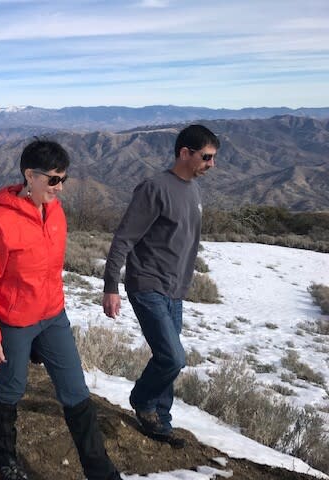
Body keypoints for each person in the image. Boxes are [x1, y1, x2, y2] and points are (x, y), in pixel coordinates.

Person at [0, 139, 122, 480]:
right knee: (10, 389)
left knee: (76, 391)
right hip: (15, 322)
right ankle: (5, 456)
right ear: (29, 175)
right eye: (53, 179)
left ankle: (101, 472)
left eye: (64, 178)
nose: (60, 187)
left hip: (53, 316)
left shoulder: (55, 213)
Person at [102, 124, 220, 445]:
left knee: (165, 358)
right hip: (147, 285)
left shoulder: (193, 189)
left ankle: (161, 424)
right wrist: (111, 285)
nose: (211, 165)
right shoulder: (154, 188)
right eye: (206, 157)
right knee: (173, 357)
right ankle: (142, 401)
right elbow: (123, 239)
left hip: (175, 290)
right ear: (185, 153)